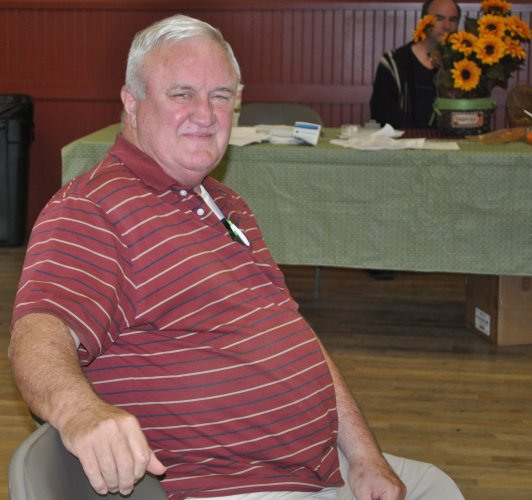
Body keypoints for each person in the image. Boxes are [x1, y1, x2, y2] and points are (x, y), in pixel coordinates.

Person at [9, 14, 464, 500]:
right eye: (182, 94)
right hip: (230, 484)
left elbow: (293, 334)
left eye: (221, 96)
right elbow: (37, 337)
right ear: (131, 102)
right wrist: (81, 412)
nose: (205, 115)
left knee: (435, 486)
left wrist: (366, 456)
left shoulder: (227, 203)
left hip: (322, 468)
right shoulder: (93, 209)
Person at [370, 0, 461, 128]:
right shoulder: (394, 63)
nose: (447, 26)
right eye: (439, 18)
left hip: (451, 139)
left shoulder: (464, 66)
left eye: (453, 20)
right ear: (424, 22)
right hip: (404, 138)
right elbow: (381, 112)